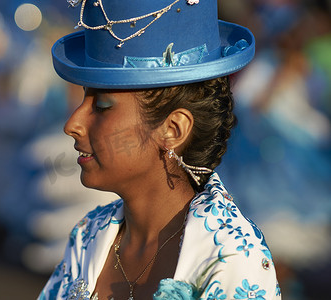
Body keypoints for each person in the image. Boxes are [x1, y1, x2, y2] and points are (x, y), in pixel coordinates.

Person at [39, 0, 281, 299]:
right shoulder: (89, 234)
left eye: (101, 106)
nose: (73, 123)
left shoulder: (230, 257)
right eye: (84, 100)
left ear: (173, 130)